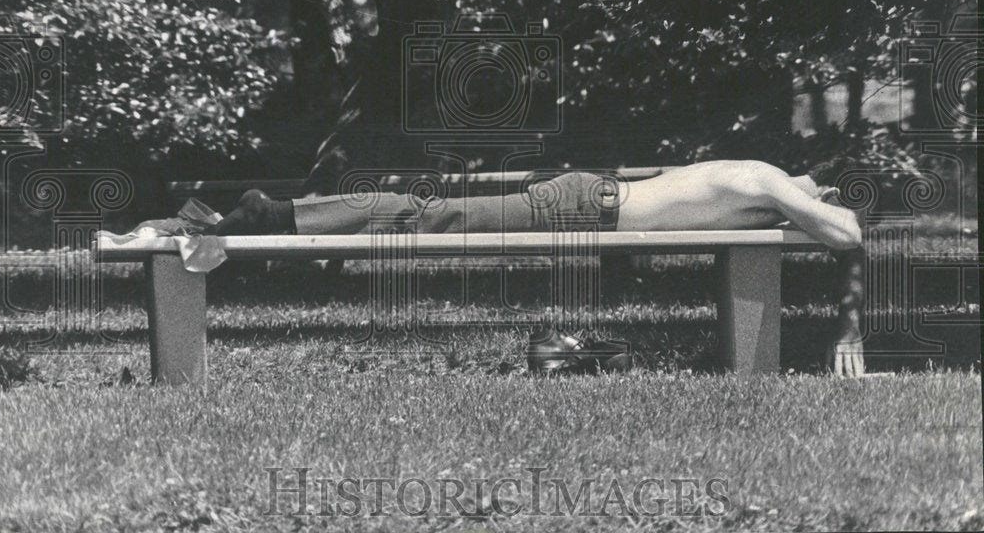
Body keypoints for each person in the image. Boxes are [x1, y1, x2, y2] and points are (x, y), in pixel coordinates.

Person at [208, 159, 867, 377]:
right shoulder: (769, 178)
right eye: (827, 198)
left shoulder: (765, 195)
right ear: (826, 190)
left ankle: (283, 214)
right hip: (586, 207)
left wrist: (849, 319)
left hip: (591, 205)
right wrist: (849, 325)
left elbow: (840, 240)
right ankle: (274, 213)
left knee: (430, 213)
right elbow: (846, 234)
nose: (820, 210)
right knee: (428, 216)